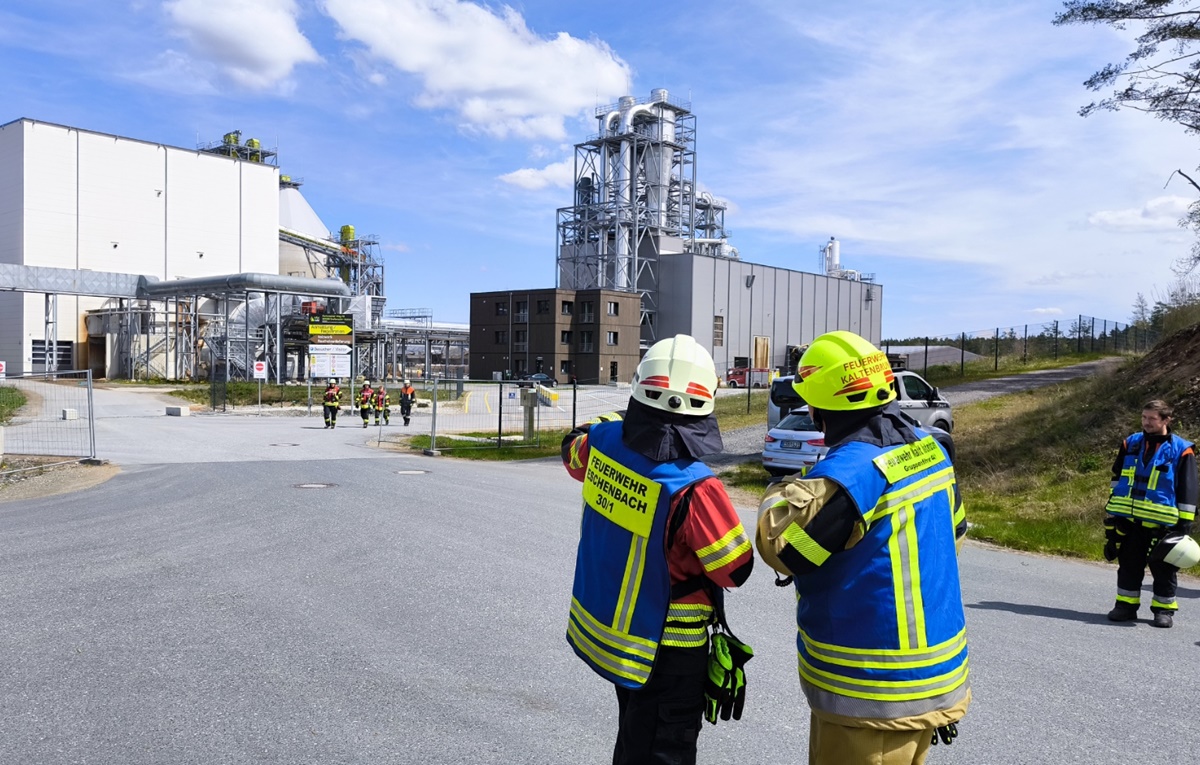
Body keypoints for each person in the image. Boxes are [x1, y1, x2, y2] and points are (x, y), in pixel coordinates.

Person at [756, 330, 969, 765]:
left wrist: (781, 491)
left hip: (872, 693)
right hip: (934, 676)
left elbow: (786, 549)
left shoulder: (850, 474)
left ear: (820, 409)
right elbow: (956, 535)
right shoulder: (931, 450)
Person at [561, 334, 754, 765]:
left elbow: (571, 446)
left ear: (638, 388)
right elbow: (735, 568)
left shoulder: (601, 444)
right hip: (670, 649)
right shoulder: (696, 486)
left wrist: (618, 418)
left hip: (618, 640)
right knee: (662, 751)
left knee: (635, 742)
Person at [1103, 399, 1197, 628]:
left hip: (1163, 525)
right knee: (1129, 565)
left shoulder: (1181, 449)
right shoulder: (1130, 443)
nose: (1146, 423)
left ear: (1166, 420)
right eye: (1144, 417)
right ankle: (1125, 607)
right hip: (1130, 521)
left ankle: (1164, 610)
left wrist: (1183, 526)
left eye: (1152, 419)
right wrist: (1115, 514)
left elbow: (1188, 488)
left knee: (1164, 570)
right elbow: (1117, 479)